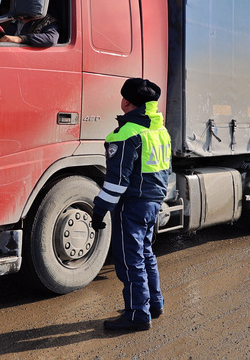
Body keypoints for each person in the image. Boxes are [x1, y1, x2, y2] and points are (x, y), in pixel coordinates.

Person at [91, 78, 172, 332]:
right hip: (152, 201)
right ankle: (153, 304)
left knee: (130, 261)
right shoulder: (160, 130)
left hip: (132, 205)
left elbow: (116, 182)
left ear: (125, 102)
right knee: (146, 253)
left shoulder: (126, 133)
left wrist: (99, 210)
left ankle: (137, 314)